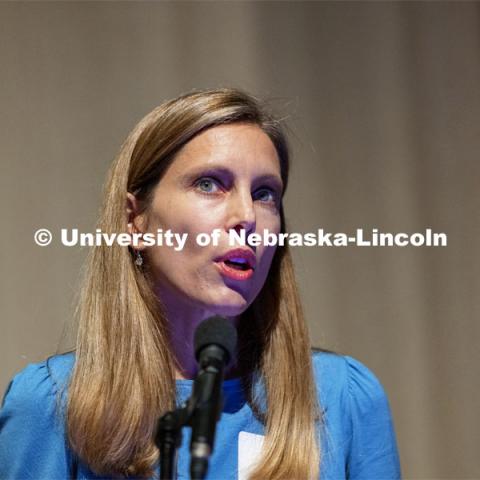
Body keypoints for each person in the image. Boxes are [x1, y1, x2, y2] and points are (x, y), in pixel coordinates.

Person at [0, 88, 401, 479]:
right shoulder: (52, 403)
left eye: (264, 194)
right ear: (134, 221)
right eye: (209, 184)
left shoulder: (341, 397)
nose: (247, 216)